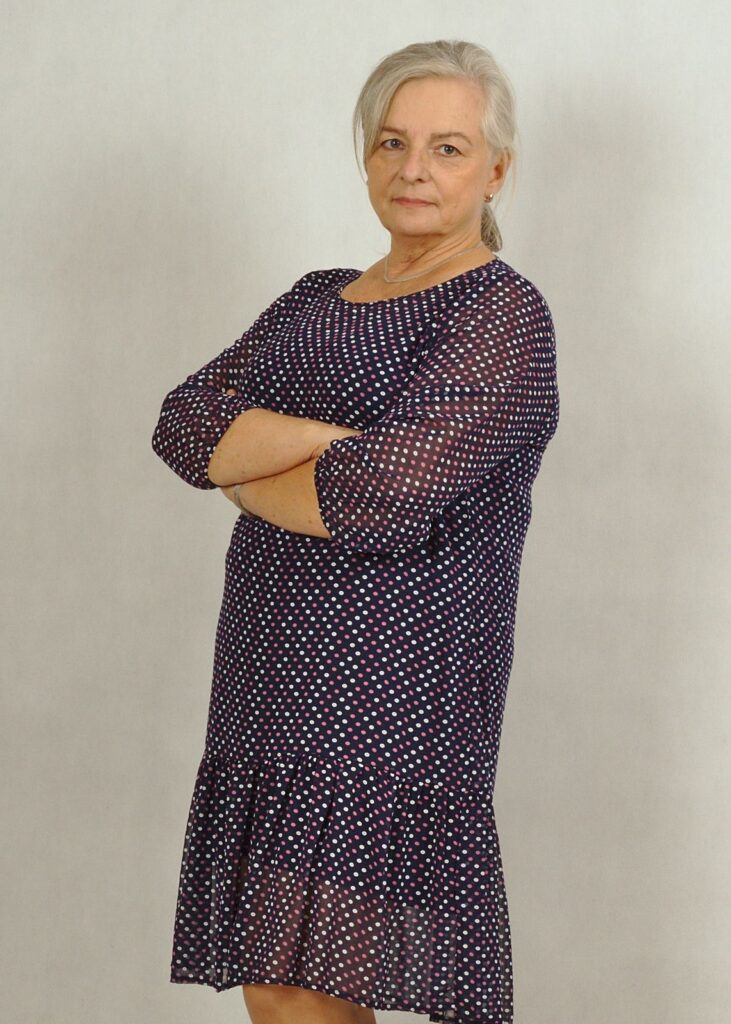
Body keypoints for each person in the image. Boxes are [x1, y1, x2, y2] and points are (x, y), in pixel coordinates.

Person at [151, 38, 560, 1024]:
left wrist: (250, 469)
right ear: (366, 155)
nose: (413, 168)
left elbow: (381, 500)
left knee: (308, 979)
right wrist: (323, 443)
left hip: (392, 686)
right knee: (275, 981)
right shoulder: (311, 298)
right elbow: (184, 425)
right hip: (268, 671)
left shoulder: (500, 314)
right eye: (392, 142)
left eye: (448, 148)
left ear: (495, 171)